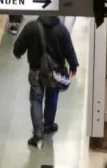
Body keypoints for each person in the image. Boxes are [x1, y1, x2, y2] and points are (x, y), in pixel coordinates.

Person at [13, 16, 79, 147]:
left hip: (36, 71)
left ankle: (38, 132)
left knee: (36, 100)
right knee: (52, 97)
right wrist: (73, 66)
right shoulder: (62, 30)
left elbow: (19, 46)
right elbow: (69, 49)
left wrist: (18, 53)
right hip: (54, 72)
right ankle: (48, 125)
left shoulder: (32, 27)